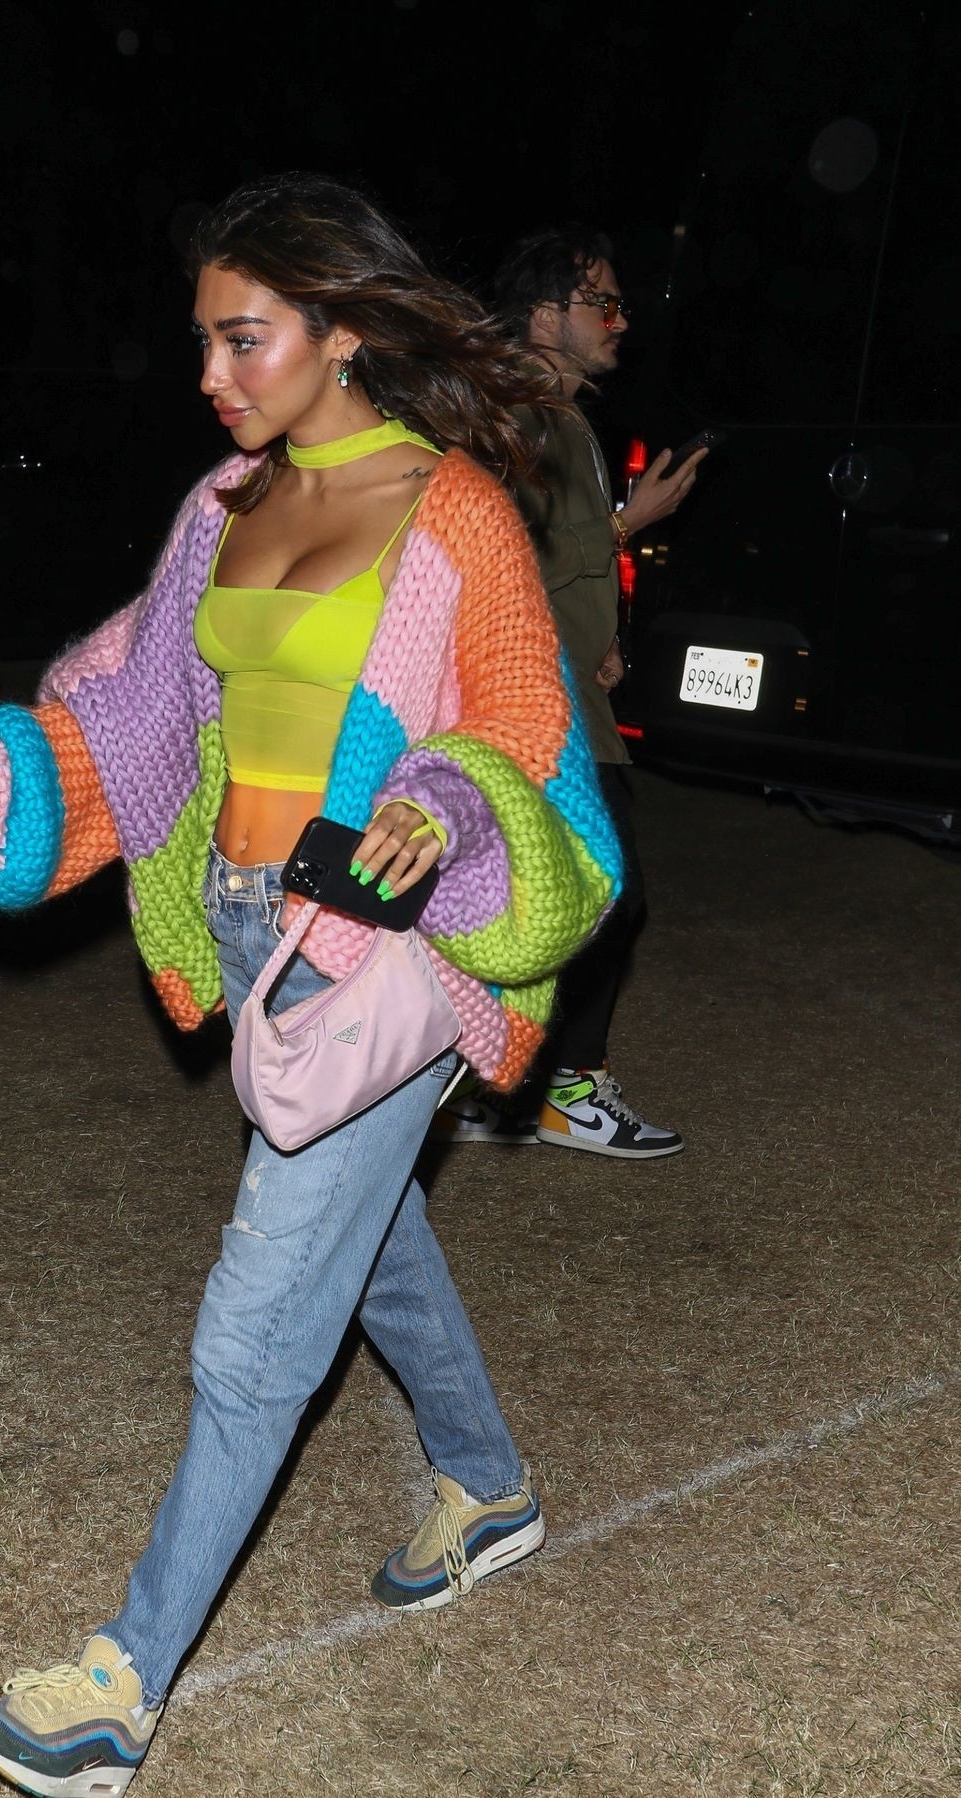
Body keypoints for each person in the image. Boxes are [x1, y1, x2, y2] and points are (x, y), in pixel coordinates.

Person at [0, 176, 621, 1798]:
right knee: (368, 1237)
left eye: (242, 337)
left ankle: (116, 1692)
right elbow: (130, 713)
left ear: (340, 333)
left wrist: (445, 810)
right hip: (243, 929)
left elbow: (523, 731)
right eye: (203, 341)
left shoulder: (456, 514)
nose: (210, 374)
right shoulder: (223, 505)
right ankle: (487, 1484)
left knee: (258, 1322)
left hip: (381, 945)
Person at [439, 227, 705, 1158]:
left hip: (562, 688)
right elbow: (503, 551)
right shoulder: (518, 415)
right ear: (547, 314)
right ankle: (564, 1089)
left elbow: (555, 573)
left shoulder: (563, 418)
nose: (620, 321)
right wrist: (631, 522)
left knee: (534, 895)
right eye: (604, 303)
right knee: (607, 893)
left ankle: (486, 1083)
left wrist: (601, 644)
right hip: (531, 702)